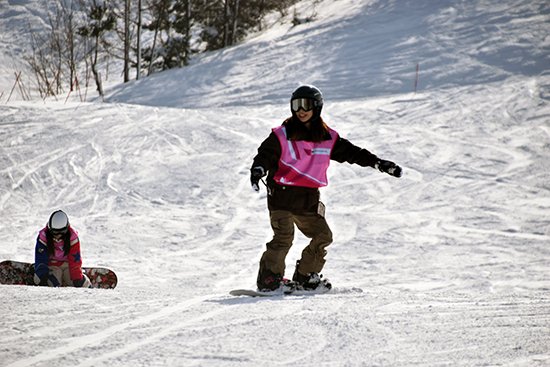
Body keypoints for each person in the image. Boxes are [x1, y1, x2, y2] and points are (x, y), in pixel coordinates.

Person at [250, 85, 402, 292]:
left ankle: (305, 276)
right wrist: (259, 169)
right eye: (296, 105)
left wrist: (378, 163)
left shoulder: (328, 138)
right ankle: (269, 279)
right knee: (283, 237)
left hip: (308, 199)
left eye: (306, 105)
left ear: (317, 107)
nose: (301, 110)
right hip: (281, 196)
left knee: (323, 236)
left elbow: (353, 153)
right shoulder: (282, 135)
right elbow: (265, 154)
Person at [34, 210, 91, 287]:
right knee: (53, 282)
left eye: (61, 232)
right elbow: (41, 257)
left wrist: (77, 278)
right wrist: (42, 274)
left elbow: (75, 259)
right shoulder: (43, 237)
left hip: (68, 265)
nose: (58, 236)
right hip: (51, 264)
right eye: (55, 232)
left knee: (75, 281)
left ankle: (86, 283)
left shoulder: (72, 237)